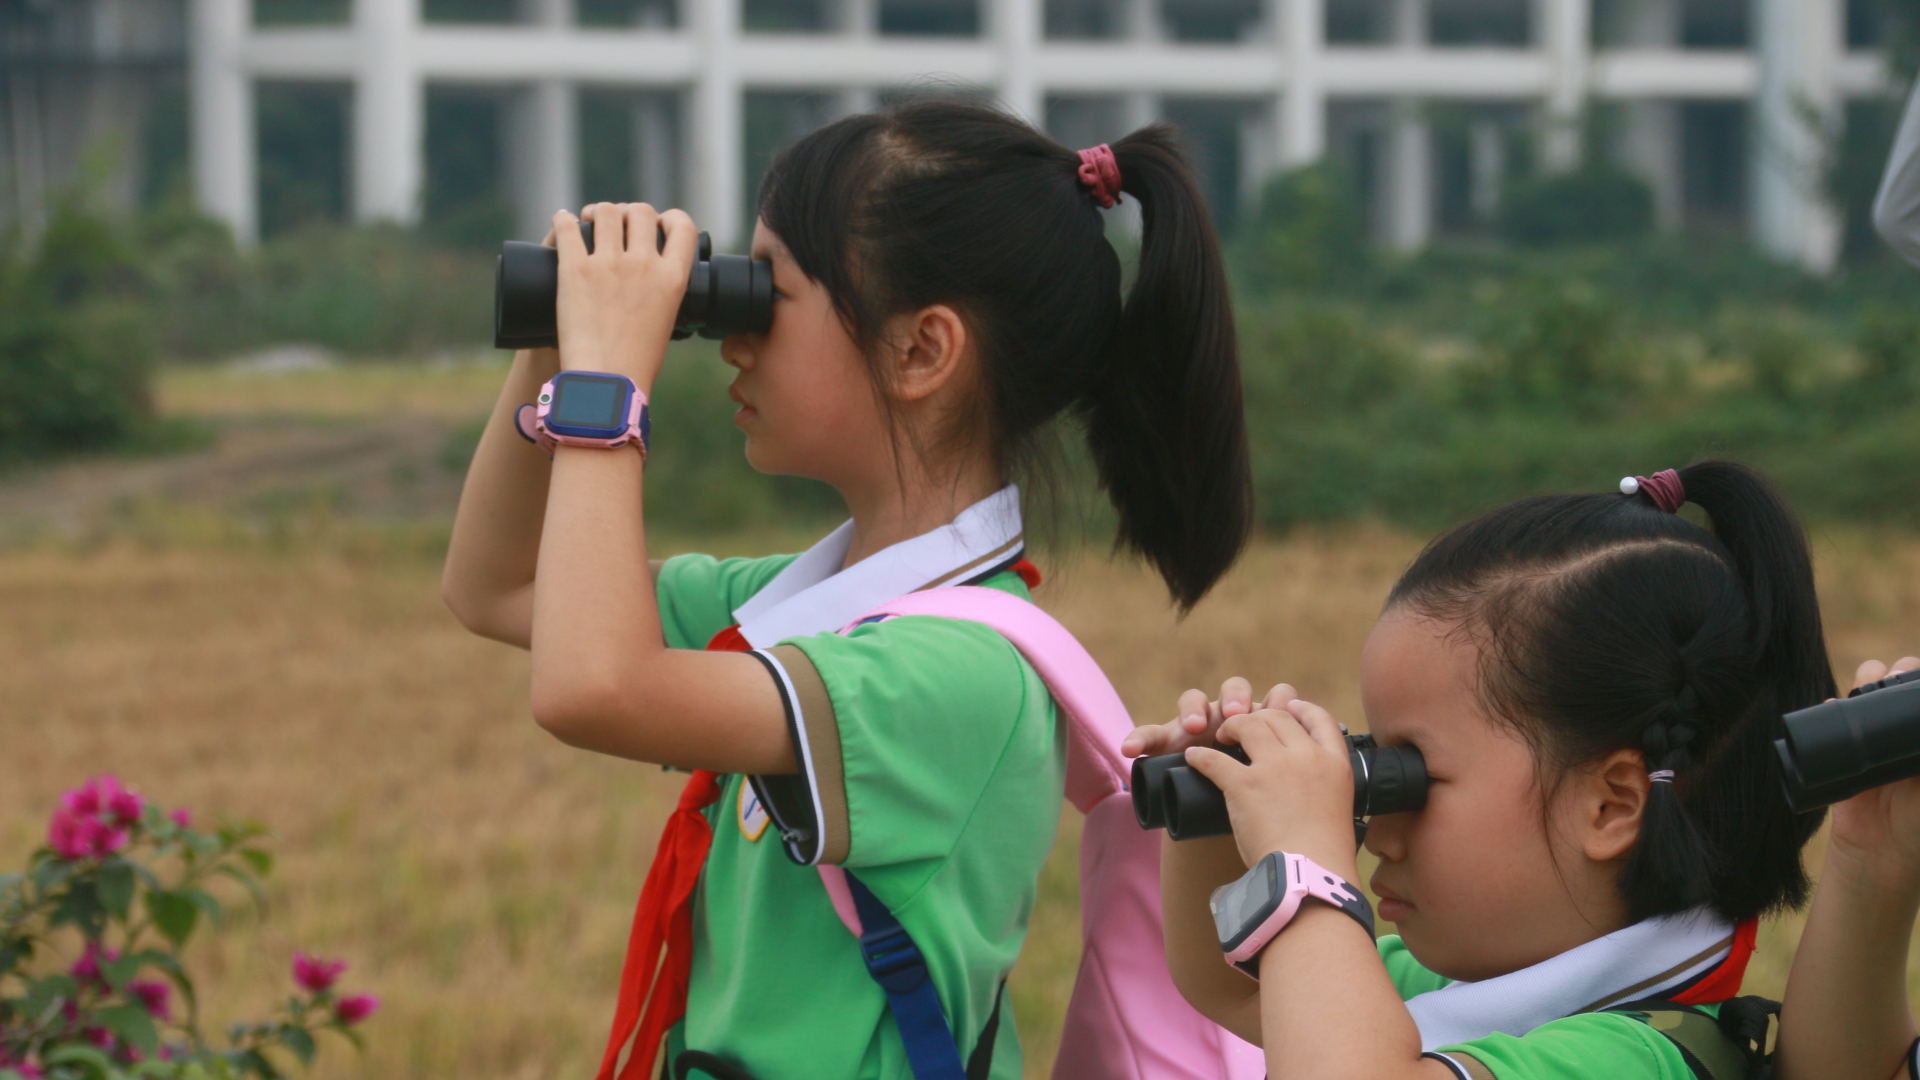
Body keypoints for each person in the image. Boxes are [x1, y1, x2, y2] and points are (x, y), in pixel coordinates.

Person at [440, 99, 1252, 1080]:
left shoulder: (957, 674)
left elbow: (592, 686)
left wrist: (609, 386)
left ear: (921, 351)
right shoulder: (807, 603)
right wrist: (562, 342)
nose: (734, 338)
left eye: (766, 296)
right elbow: (502, 583)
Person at [1127, 461, 1842, 1080]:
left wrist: (1304, 865)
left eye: (1416, 777)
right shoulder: (1476, 977)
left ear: (1609, 805)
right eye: (1380, 767)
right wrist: (1221, 802)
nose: (1379, 833)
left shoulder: (1632, 1057)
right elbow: (1236, 990)